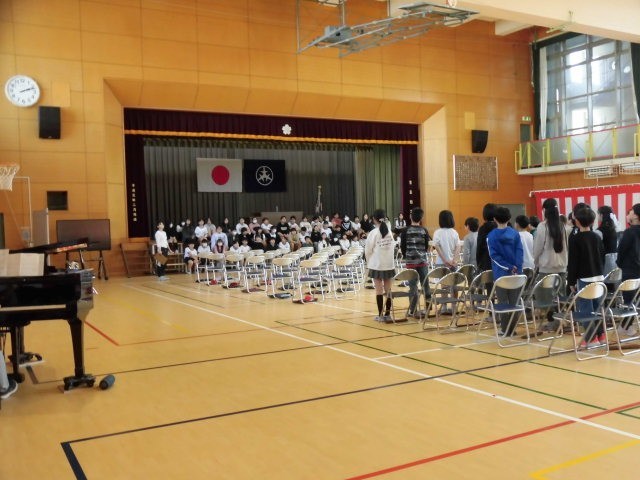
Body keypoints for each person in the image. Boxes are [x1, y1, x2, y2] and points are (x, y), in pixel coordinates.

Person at [567, 206, 605, 348]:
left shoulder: (575, 239)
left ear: (577, 221)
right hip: (599, 277)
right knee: (598, 307)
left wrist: (571, 281)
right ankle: (601, 335)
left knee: (585, 309)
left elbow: (573, 262)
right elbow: (602, 257)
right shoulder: (597, 237)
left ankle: (591, 338)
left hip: (584, 278)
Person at [487, 207, 523, 336]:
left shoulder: (491, 236)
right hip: (516, 274)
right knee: (514, 302)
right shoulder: (515, 234)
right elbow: (520, 252)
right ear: (509, 218)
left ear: (494, 219)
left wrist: (508, 267)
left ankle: (504, 329)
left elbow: (494, 256)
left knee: (503, 303)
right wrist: (517, 268)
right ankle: (512, 329)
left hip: (501, 275)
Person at [365, 209, 396, 322]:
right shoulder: (389, 232)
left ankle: (380, 315)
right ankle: (388, 314)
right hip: (388, 265)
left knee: (378, 291)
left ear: (374, 219)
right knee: (388, 290)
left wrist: (368, 263)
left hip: (376, 265)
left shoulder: (373, 233)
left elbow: (368, 250)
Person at [400, 207, 431, 318]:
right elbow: (427, 246)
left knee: (413, 287)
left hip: (411, 262)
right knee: (425, 285)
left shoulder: (405, 230)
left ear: (410, 216)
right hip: (422, 261)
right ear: (421, 218)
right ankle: (428, 308)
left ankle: (412, 310)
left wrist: (407, 256)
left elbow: (403, 247)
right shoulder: (424, 230)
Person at [616, 204, 640, 335]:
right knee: (636, 299)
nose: (628, 214)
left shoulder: (629, 232)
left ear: (635, 216)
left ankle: (627, 326)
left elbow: (621, 251)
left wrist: (620, 264)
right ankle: (629, 325)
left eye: (631, 212)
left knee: (629, 300)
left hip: (630, 270)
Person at [476, 203, 497, 272]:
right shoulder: (500, 227)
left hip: (485, 263)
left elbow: (479, 248)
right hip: (499, 264)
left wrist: (479, 264)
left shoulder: (482, 229)